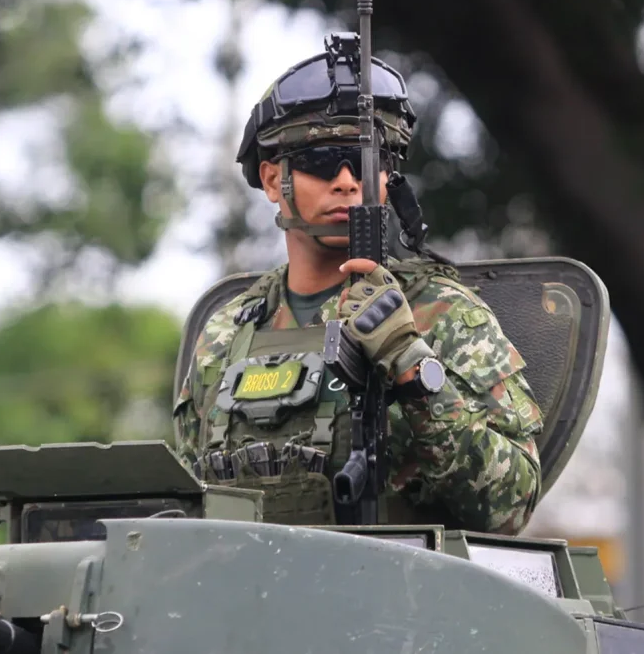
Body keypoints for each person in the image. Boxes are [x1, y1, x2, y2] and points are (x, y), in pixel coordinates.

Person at [172, 38, 545, 535]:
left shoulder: (443, 313)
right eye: (323, 162)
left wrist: (411, 365)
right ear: (270, 179)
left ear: (388, 178)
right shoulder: (226, 335)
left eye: (365, 163)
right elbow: (181, 507)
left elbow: (512, 503)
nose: (347, 181)